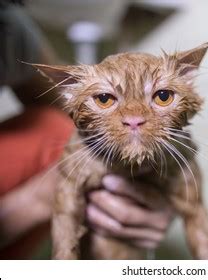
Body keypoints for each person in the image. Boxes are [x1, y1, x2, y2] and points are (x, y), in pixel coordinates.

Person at [0, 2, 174, 259]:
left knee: (58, 131)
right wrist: (33, 202)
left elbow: (69, 111)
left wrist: (149, 188)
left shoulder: (8, 29)